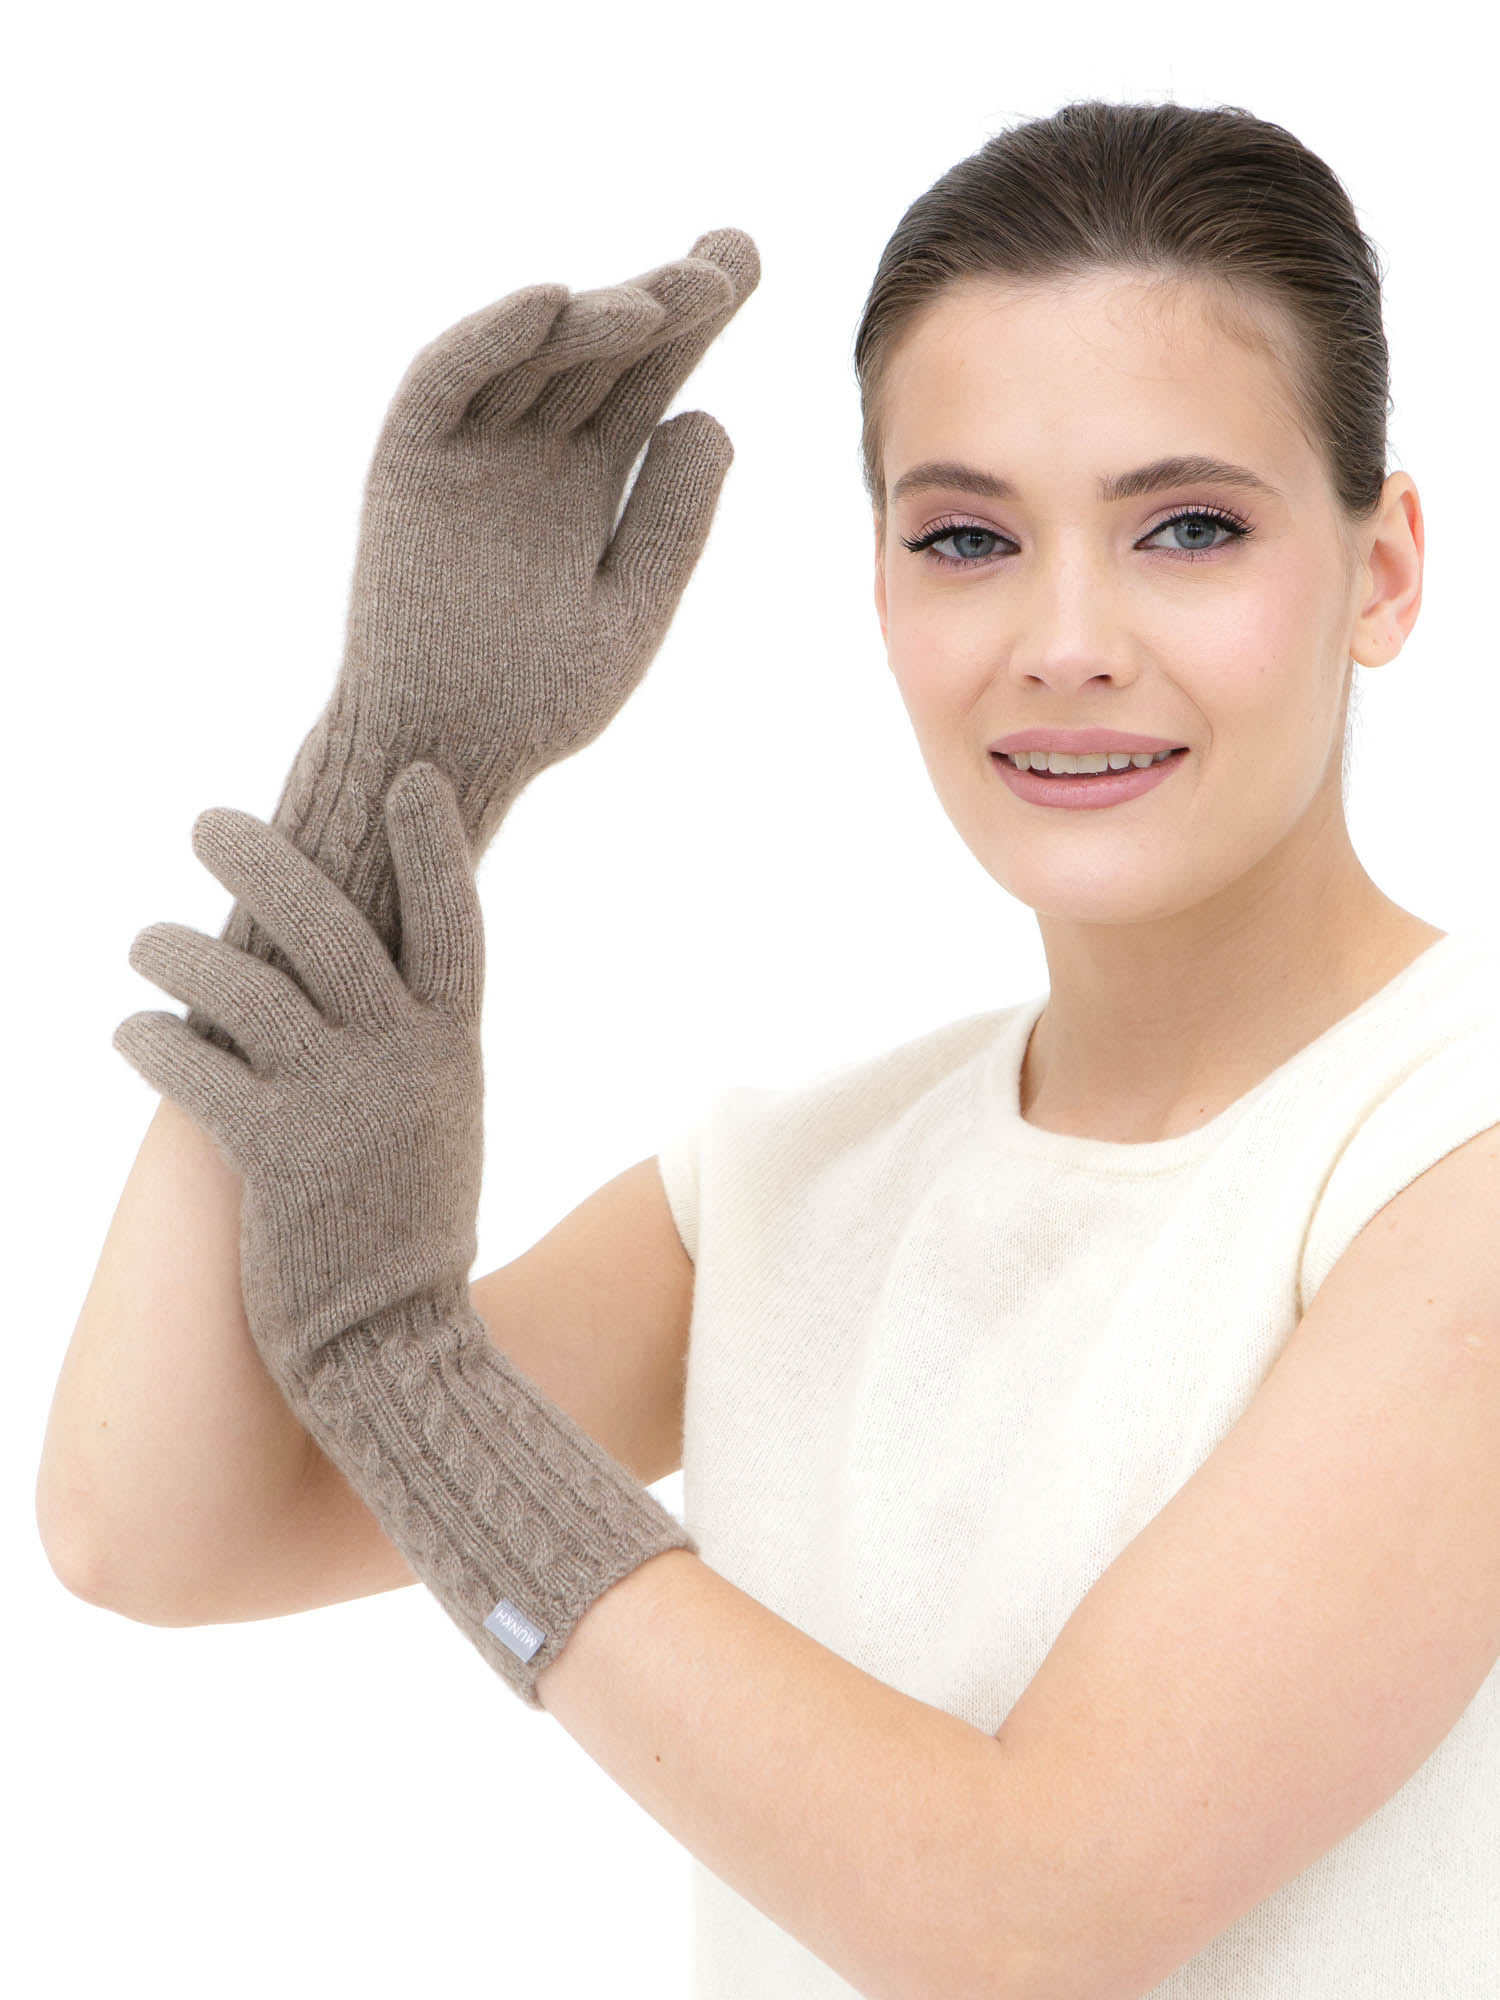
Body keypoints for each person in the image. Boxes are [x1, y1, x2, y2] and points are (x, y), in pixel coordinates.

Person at [38, 97, 1500, 1997]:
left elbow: (1022, 1916)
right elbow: (150, 1523)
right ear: (880, 589)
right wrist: (402, 759)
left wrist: (402, 1359)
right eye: (967, 536)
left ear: (1382, 571)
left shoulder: (1447, 1151)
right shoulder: (790, 1184)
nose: (1065, 638)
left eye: (1191, 528)